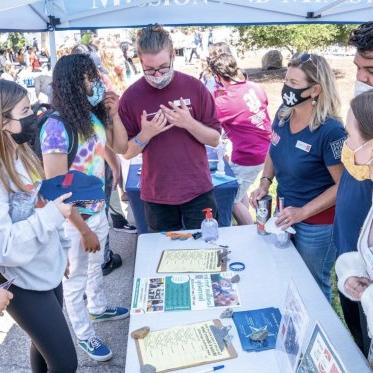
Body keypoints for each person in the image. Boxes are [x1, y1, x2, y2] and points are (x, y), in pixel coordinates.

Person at [40, 54, 129, 362]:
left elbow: (115, 146)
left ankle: (99, 308)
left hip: (97, 208)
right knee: (75, 279)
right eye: (91, 79)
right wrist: (84, 228)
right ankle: (84, 332)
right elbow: (56, 191)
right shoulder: (54, 128)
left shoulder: (88, 116)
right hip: (74, 220)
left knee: (96, 266)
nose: (97, 83)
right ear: (73, 84)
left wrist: (114, 115)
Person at [250, 53, 346, 302]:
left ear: (315, 90)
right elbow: (274, 149)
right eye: (286, 80)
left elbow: (343, 186)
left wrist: (303, 212)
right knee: (286, 275)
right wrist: (264, 183)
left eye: (294, 83)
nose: (286, 87)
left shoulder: (331, 130)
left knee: (313, 286)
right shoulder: (283, 114)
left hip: (318, 225)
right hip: (285, 216)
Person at [0, 79, 77, 372]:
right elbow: (5, 247)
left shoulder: (24, 155)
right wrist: (53, 216)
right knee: (65, 362)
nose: (33, 116)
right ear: (4, 122)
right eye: (25, 111)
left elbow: (46, 201)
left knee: (43, 346)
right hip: (21, 280)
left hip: (47, 268)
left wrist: (63, 249)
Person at [119, 24, 221, 232]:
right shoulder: (131, 97)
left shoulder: (194, 87)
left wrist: (189, 123)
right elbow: (127, 152)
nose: (157, 74)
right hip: (157, 195)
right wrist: (146, 135)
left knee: (205, 249)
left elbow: (214, 139)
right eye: (149, 69)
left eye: (163, 67)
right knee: (164, 254)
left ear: (173, 55)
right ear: (139, 60)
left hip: (197, 190)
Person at [334, 22, 373, 356]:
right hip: (354, 262)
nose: (361, 79)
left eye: (370, 70)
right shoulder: (362, 117)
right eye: (358, 69)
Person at [209, 53, 271, 225]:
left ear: (217, 76)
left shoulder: (223, 101)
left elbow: (209, 126)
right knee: (239, 188)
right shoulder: (255, 86)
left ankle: (251, 231)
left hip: (249, 155)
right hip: (267, 148)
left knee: (231, 199)